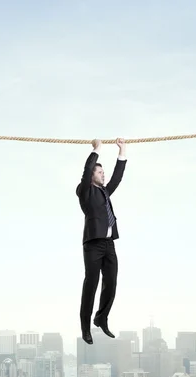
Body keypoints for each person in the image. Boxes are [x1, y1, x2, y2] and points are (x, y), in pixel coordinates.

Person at [76, 138, 127, 344]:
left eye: (102, 171)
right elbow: (87, 170)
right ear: (91, 177)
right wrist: (96, 150)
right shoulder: (85, 191)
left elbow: (117, 177)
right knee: (91, 284)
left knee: (111, 283)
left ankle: (101, 318)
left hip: (109, 244)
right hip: (93, 244)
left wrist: (122, 151)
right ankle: (85, 327)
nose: (102, 174)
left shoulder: (105, 192)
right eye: (99, 172)